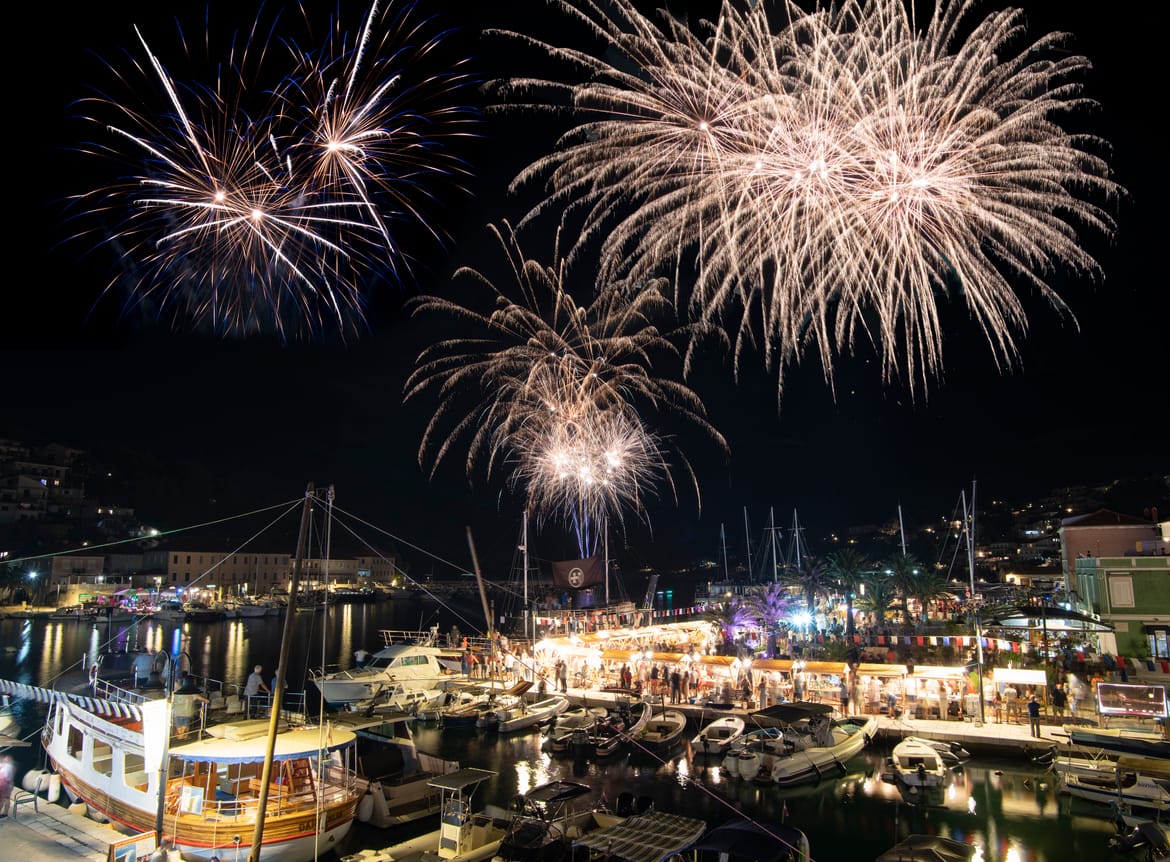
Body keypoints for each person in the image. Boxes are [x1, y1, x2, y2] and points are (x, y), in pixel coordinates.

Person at [173, 672, 208, 739]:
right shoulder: (192, 693)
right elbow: (200, 698)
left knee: (179, 729)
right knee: (185, 729)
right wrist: (206, 701)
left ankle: (180, 737)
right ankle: (184, 737)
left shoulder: (177, 693)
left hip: (177, 713)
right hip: (186, 713)